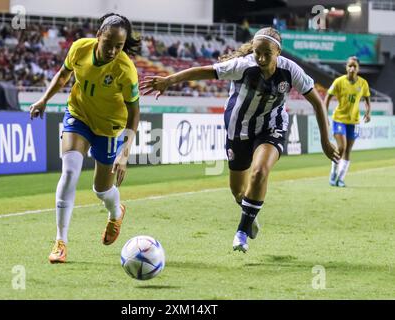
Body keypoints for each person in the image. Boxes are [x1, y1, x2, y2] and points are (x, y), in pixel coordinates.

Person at [140, 27, 339, 253]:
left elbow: (317, 102)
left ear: (278, 52)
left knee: (259, 172)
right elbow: (203, 71)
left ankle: (241, 232)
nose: (262, 58)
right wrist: (170, 80)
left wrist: (325, 140)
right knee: (238, 192)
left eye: (268, 54)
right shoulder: (243, 66)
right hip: (238, 131)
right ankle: (249, 213)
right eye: (257, 53)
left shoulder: (291, 70)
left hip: (271, 126)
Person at [29, 13, 141, 263]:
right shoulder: (79, 48)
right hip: (78, 115)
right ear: (98, 35)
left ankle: (115, 212)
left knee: (102, 190)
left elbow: (134, 111)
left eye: (119, 46)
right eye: (109, 43)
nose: (113, 50)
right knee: (69, 172)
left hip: (109, 128)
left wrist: (125, 153)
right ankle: (61, 242)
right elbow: (62, 75)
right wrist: (43, 99)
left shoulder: (125, 69)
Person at [325, 56, 371, 187]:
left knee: (348, 150)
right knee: (341, 147)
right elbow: (327, 97)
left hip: (354, 121)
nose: (352, 68)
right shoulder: (339, 81)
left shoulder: (363, 83)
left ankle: (341, 178)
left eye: (354, 66)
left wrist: (368, 112)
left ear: (358, 68)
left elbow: (367, 99)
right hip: (339, 119)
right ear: (346, 67)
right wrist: (324, 113)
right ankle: (333, 173)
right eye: (350, 66)